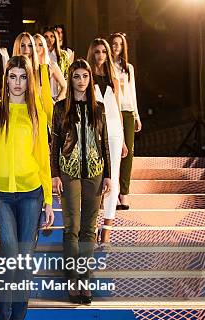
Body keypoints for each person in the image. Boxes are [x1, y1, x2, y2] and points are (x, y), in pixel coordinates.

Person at [0, 56, 54, 320]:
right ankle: (1, 319)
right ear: (5, 80)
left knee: (24, 261)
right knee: (10, 255)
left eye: (22, 77)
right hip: (0, 193)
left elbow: (43, 158)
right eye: (12, 76)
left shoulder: (36, 111)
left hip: (30, 192)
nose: (17, 82)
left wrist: (49, 200)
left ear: (28, 80)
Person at [51, 59, 111, 304]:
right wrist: (54, 173)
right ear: (70, 78)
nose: (81, 81)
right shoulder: (60, 108)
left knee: (89, 229)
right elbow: (54, 143)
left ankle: (85, 279)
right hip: (69, 170)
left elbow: (104, 141)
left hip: (95, 171)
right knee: (72, 227)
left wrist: (108, 174)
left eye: (85, 76)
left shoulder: (99, 108)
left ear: (90, 79)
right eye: (76, 76)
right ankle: (73, 279)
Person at [87, 38, 127, 244]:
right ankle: (92, 226)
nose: (100, 55)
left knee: (113, 180)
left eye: (103, 51)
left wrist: (123, 141)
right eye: (97, 52)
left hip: (114, 134)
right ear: (91, 54)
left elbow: (118, 110)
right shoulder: (86, 78)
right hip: (93, 134)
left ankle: (107, 229)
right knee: (94, 180)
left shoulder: (115, 79)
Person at [110, 32, 141, 210]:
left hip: (128, 111)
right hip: (112, 111)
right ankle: (112, 193)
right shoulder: (105, 66)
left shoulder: (128, 68)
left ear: (123, 47)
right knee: (114, 153)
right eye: (114, 43)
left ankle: (124, 193)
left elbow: (132, 92)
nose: (116, 47)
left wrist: (136, 115)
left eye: (119, 44)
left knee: (127, 152)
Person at [34, 33, 67, 124]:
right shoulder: (28, 66)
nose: (37, 48)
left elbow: (64, 86)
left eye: (40, 45)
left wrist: (56, 101)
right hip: (32, 105)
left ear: (44, 46)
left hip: (47, 105)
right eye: (34, 45)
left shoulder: (51, 65)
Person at [43, 26, 71, 100]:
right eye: (46, 37)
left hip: (60, 94)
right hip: (44, 95)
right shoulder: (40, 55)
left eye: (52, 36)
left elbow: (67, 75)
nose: (49, 39)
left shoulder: (63, 55)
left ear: (56, 38)